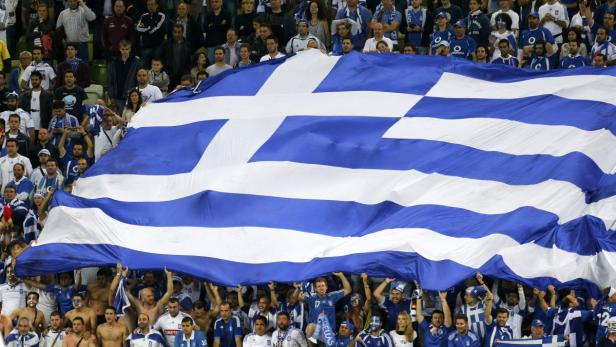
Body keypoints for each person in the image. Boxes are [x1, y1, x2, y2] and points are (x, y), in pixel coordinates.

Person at [107, 40, 143, 114]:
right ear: (120, 49)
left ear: (130, 49)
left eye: (127, 49)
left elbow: (139, 80)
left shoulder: (136, 63)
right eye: (123, 49)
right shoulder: (114, 63)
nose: (125, 51)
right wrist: (112, 96)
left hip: (132, 98)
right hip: (117, 97)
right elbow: (110, 81)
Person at [136, 0, 166, 68]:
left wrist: (146, 27)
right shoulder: (144, 16)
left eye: (152, 4)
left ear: (157, 5)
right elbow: (138, 28)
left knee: (157, 70)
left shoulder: (161, 16)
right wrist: (150, 27)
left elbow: (156, 29)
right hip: (146, 47)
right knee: (144, 69)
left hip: (158, 47)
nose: (150, 6)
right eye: (148, 4)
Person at [162, 25, 193, 89]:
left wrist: (187, 73)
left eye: (179, 32)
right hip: (169, 75)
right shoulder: (166, 44)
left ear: (182, 32)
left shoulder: (188, 44)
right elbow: (162, 58)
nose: (177, 34)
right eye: (175, 32)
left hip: (183, 76)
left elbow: (189, 61)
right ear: (172, 32)